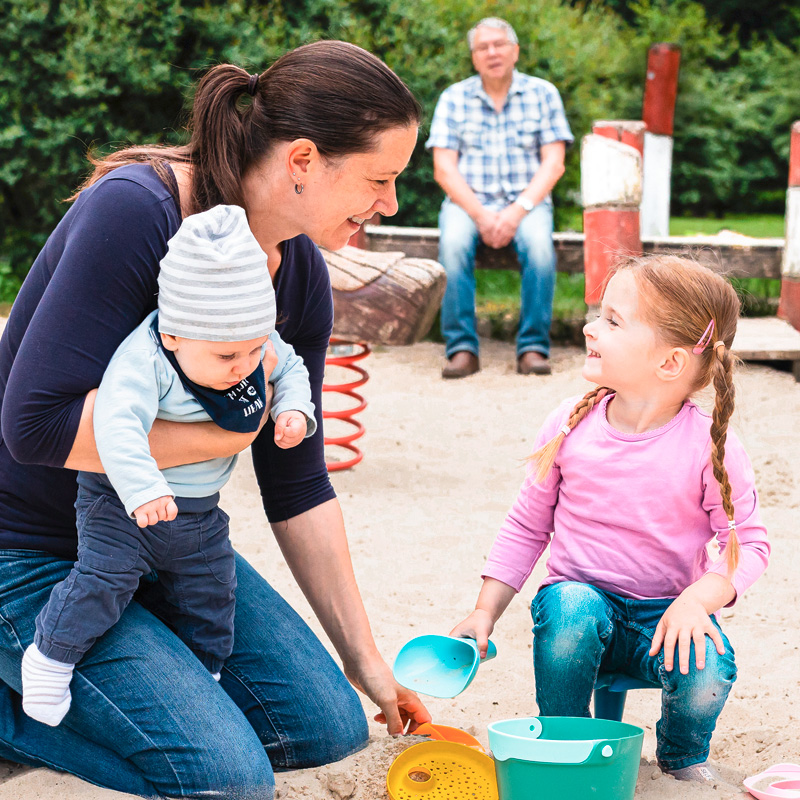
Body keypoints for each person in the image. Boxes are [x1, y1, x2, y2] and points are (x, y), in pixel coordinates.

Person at [0, 41, 429, 799]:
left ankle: (98, 682)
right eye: (380, 179)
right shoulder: (136, 210)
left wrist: (368, 664)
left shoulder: (298, 270)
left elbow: (298, 486)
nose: (390, 204)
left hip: (164, 542)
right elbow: (33, 426)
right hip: (29, 548)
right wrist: (229, 433)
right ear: (303, 159)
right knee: (226, 777)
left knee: (325, 727)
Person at [450, 255, 770, 783]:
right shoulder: (569, 424)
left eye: (612, 321)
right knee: (571, 606)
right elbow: (528, 527)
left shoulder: (709, 445)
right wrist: (485, 611)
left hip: (664, 617)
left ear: (669, 363)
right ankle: (565, 742)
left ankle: (681, 759)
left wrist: (698, 601)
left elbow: (749, 543)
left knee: (709, 669)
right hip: (579, 613)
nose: (588, 327)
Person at [21, 203, 316, 727]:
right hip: (121, 506)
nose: (245, 367)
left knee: (211, 596)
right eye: (228, 358)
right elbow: (115, 427)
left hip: (198, 516)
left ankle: (206, 680)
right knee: (103, 582)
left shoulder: (249, 340)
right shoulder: (146, 359)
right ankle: (50, 656)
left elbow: (288, 366)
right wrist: (141, 490)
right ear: (176, 334)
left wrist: (293, 407)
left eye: (251, 351)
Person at [426, 17, 573, 379]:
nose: (492, 52)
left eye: (499, 44)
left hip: (528, 203)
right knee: (454, 245)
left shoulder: (544, 94)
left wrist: (516, 211)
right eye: (482, 47)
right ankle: (461, 348)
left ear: (515, 50)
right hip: (467, 203)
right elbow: (444, 169)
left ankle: (533, 348)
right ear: (474, 58)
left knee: (541, 249)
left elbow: (553, 164)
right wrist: (481, 215)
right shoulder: (453, 98)